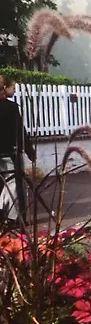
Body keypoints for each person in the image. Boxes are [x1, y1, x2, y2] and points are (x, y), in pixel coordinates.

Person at [0, 75, 35, 226]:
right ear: (4, 88)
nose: (14, 90)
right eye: (12, 87)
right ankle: (12, 217)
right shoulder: (11, 107)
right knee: (13, 182)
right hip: (10, 152)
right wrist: (30, 152)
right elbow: (20, 132)